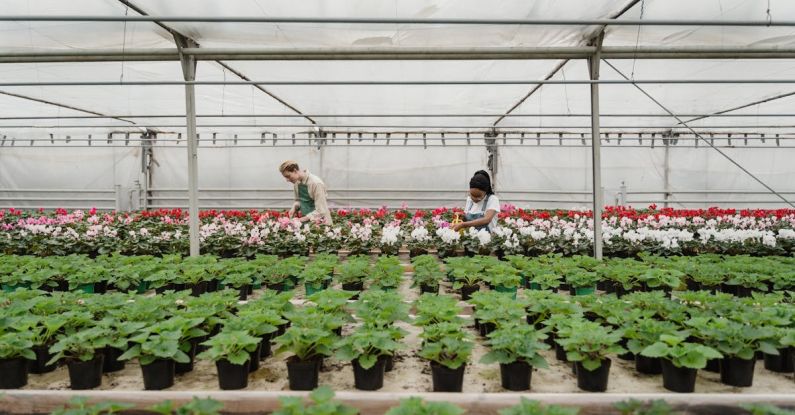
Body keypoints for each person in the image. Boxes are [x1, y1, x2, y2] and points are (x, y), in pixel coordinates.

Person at [279, 160, 333, 224]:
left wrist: (300, 220)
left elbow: (321, 210)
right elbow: (299, 200)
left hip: (320, 223)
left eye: (288, 176)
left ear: (295, 171)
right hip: (305, 221)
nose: (287, 180)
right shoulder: (297, 183)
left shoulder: (316, 183)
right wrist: (294, 207)